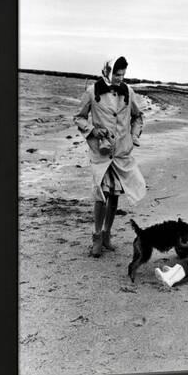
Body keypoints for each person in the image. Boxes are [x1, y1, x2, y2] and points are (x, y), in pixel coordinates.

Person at [73, 56, 146, 257]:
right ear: (107, 71)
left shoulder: (128, 92)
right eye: (117, 74)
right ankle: (96, 236)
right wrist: (92, 131)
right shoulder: (92, 92)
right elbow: (78, 117)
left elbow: (138, 117)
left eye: (123, 74)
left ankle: (107, 234)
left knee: (114, 196)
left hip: (122, 152)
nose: (120, 78)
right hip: (102, 152)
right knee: (100, 195)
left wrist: (134, 137)